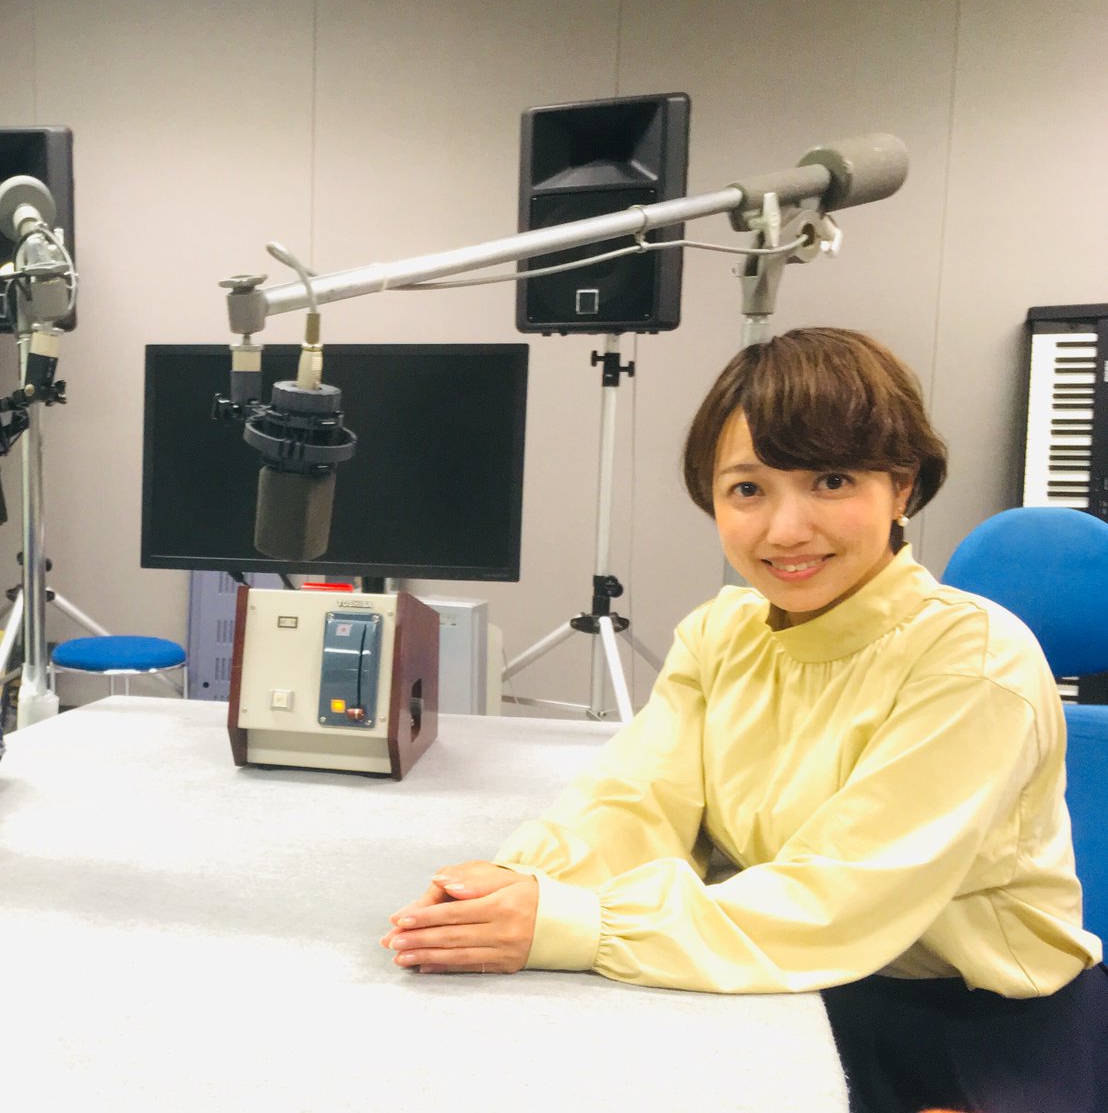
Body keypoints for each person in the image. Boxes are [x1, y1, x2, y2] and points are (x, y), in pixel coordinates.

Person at [381, 327, 1108, 1112]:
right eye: (747, 490)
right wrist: (529, 883)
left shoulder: (974, 659)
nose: (785, 530)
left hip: (978, 1025)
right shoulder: (722, 632)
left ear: (902, 487)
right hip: (788, 979)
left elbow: (839, 897)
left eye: (831, 480)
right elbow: (637, 801)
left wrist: (576, 924)